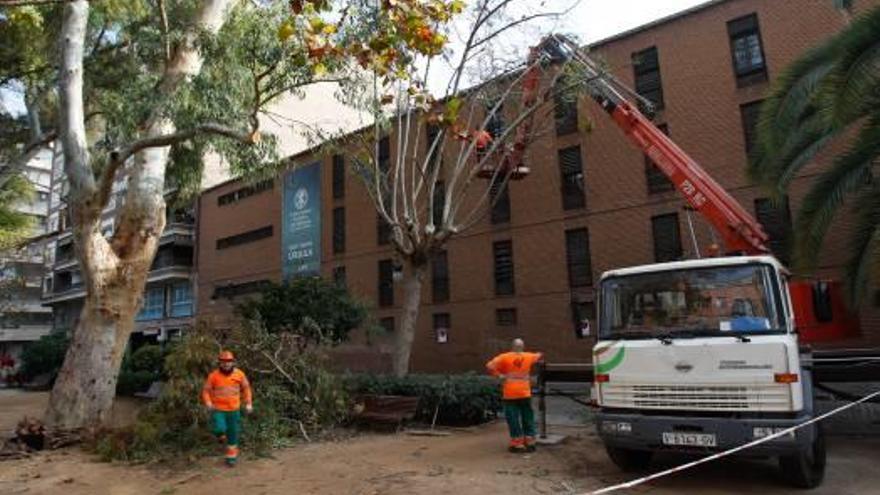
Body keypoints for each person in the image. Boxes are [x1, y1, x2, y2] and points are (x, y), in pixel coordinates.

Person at [486, 339, 543, 453]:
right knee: (527, 415)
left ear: (512, 347)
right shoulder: (529, 356)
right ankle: (530, 440)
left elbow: (490, 365)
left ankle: (517, 443)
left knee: (513, 418)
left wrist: (499, 375)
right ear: (523, 347)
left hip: (510, 393)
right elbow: (539, 356)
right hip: (525, 392)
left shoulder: (504, 357)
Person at [201, 350, 253, 466]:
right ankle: (220, 435)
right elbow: (205, 391)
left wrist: (248, 403)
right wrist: (208, 403)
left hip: (234, 410)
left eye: (229, 361)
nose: (226, 364)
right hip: (219, 410)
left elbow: (246, 389)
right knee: (219, 428)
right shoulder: (213, 376)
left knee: (233, 434)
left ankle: (231, 458)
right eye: (223, 361)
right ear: (219, 363)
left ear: (233, 362)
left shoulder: (239, 374)